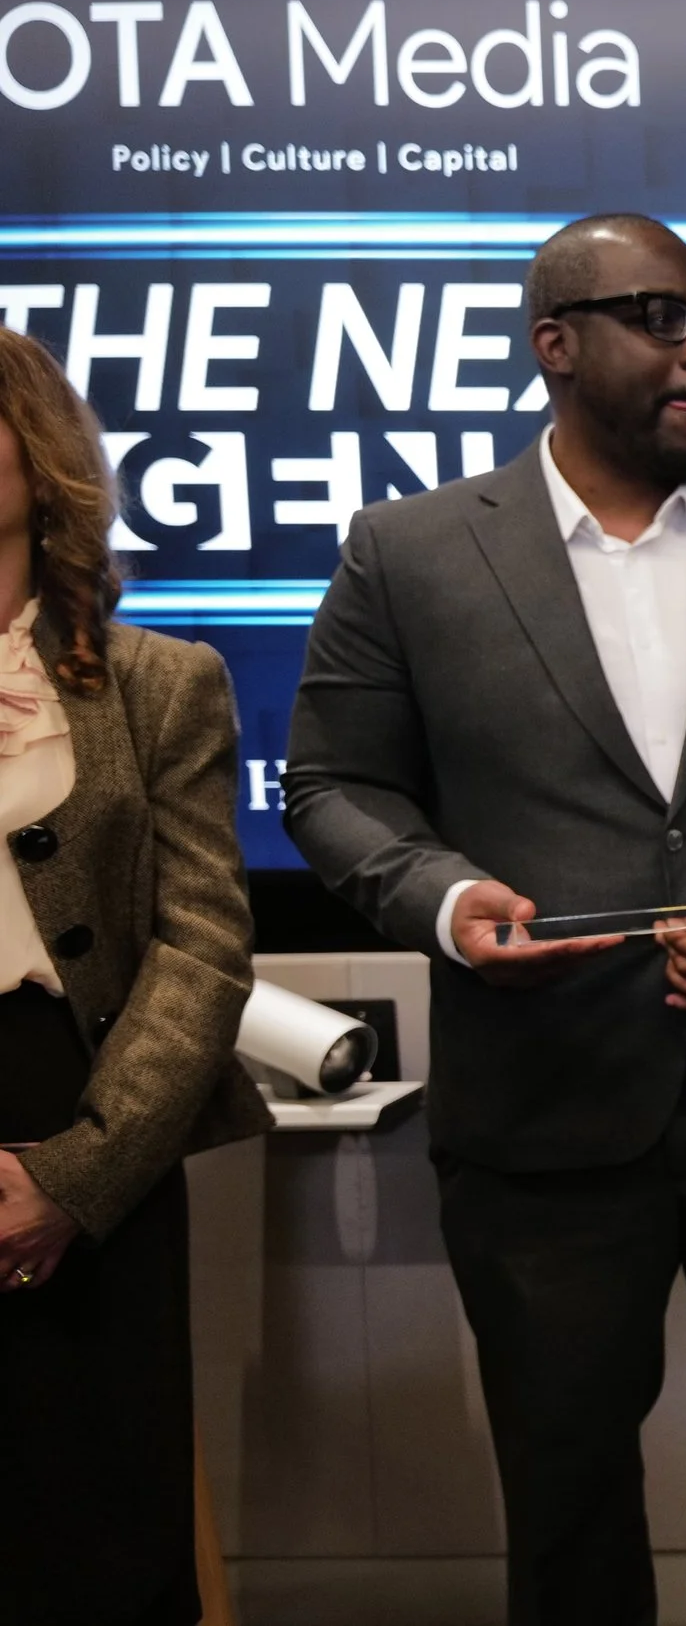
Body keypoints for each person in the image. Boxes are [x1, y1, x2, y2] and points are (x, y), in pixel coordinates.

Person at [284, 214, 686, 1626]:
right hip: (541, 1106)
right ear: (556, 343)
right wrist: (449, 900)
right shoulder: (408, 553)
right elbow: (333, 787)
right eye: (659, 315)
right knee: (569, 1497)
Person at [0, 325, 271, 1623]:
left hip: (84, 1114)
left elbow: (205, 948)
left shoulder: (164, 681)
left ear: (38, 455)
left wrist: (77, 1173)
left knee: (97, 1530)